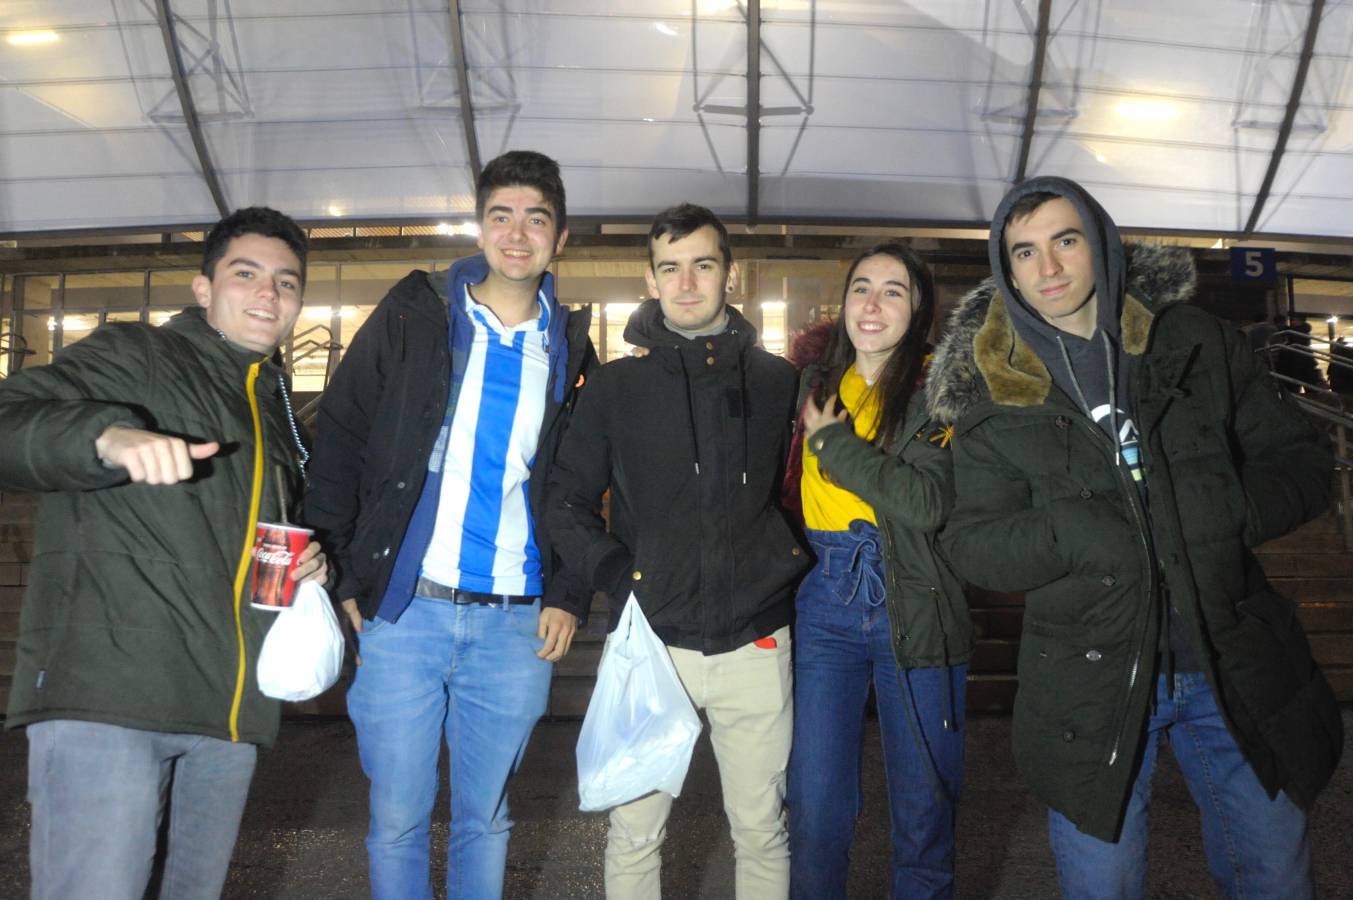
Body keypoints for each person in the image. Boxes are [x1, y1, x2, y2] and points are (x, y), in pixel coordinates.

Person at [928, 176, 1342, 898]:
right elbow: (974, 542)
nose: (1047, 269)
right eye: (1023, 252)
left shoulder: (1194, 343)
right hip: (1090, 680)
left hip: (1228, 655)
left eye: (1065, 241)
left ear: (1102, 246)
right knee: (1101, 885)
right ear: (1004, 268)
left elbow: (1301, 461)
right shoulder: (994, 392)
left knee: (1275, 874)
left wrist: (1223, 509)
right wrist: (1074, 531)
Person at [0, 206, 327, 900]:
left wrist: (309, 567)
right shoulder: (135, 356)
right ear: (203, 288)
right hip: (112, 697)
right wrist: (104, 437)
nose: (268, 295)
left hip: (228, 714)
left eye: (286, 283)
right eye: (246, 275)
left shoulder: (270, 406)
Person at [303, 150, 596, 900]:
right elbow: (339, 437)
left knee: (486, 818)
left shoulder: (566, 346)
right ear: (479, 227)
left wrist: (567, 590)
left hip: (512, 623)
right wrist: (340, 573)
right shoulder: (414, 315)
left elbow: (576, 484)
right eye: (501, 215)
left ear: (559, 238)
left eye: (536, 218)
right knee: (397, 817)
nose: (517, 232)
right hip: (406, 612)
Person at [548, 202, 809, 899]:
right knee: (635, 833)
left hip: (755, 638)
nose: (686, 281)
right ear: (650, 277)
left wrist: (784, 568)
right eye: (670, 267)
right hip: (651, 642)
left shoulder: (777, 382)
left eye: (702, 264)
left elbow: (804, 494)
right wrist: (616, 578)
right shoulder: (614, 388)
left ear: (729, 274)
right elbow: (565, 502)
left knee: (760, 827)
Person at [784, 242, 969, 899]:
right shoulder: (809, 386)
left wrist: (831, 442)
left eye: (893, 290)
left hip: (912, 600)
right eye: (861, 287)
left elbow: (925, 501)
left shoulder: (941, 399)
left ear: (918, 311)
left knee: (923, 801)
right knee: (811, 801)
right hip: (823, 601)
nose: (871, 303)